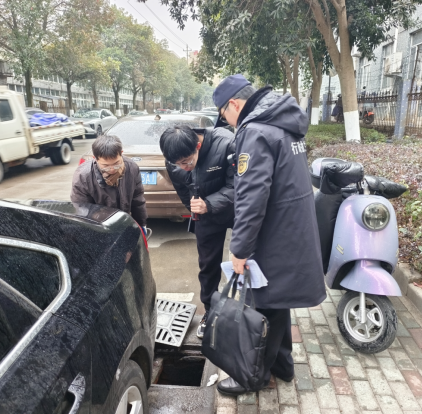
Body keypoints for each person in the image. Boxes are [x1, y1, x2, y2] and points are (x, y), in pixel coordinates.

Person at [212, 74, 326, 396]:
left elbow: (251, 197)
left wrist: (239, 249)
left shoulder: (255, 131)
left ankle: (254, 377)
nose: (227, 122)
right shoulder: (281, 122)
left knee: (260, 303)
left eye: (224, 115)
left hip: (274, 232)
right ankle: (283, 365)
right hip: (292, 227)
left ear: (233, 104)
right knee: (277, 299)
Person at [159, 125, 235, 338]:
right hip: (206, 214)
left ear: (198, 146)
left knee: (244, 261)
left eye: (187, 161)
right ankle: (210, 311)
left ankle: (249, 311)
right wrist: (197, 208)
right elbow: (183, 191)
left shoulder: (226, 143)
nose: (183, 167)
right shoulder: (174, 160)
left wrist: (209, 203)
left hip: (236, 211)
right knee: (208, 266)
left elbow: (238, 185)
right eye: (177, 164)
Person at [71, 134, 147, 231]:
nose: (112, 169)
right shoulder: (83, 176)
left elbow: (138, 200)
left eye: (116, 164)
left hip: (124, 223)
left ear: (121, 153)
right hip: (97, 227)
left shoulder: (132, 168)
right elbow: (82, 209)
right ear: (95, 158)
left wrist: (141, 224)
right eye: (105, 166)